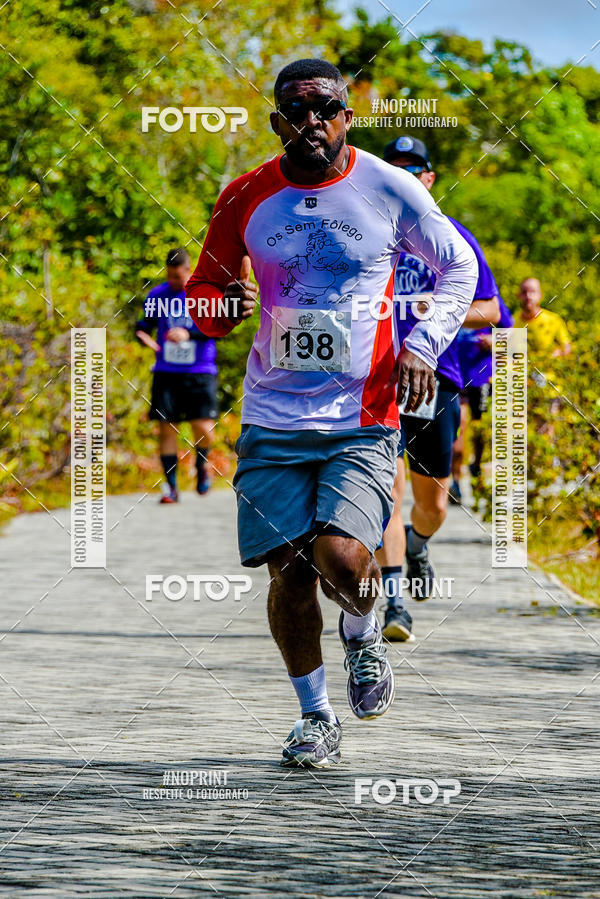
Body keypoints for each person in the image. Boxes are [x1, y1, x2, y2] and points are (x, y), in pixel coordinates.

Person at [186, 60, 478, 767]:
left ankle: (364, 629)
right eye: (296, 110)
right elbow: (204, 294)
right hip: (273, 415)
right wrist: (224, 306)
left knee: (344, 561)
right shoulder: (245, 195)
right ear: (277, 122)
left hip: (363, 412)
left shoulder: (389, 186)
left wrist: (422, 346)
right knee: (288, 570)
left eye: (325, 107)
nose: (311, 121)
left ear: (347, 116)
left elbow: (459, 267)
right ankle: (314, 716)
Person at [376, 136, 501, 642]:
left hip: (435, 378)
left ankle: (417, 543)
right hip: (374, 378)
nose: (404, 177)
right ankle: (394, 602)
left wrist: (435, 309)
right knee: (386, 491)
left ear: (430, 178)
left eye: (414, 170)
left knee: (433, 505)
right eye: (395, 168)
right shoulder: (364, 230)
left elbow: (491, 310)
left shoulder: (452, 237)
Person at [136, 247, 218, 503]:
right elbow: (145, 324)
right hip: (167, 372)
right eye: (169, 276)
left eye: (178, 276)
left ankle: (201, 466)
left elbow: (217, 328)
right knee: (166, 428)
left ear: (188, 270)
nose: (173, 281)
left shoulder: (204, 294)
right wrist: (142, 335)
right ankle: (171, 487)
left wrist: (188, 333)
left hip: (199, 371)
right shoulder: (157, 295)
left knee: (204, 427)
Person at [449, 297, 514, 504]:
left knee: (479, 430)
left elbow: (510, 329)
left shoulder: (488, 297)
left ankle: (476, 469)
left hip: (481, 376)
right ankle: (455, 482)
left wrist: (495, 340)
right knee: (458, 426)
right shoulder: (449, 291)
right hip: (454, 375)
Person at [515, 278, 571, 357]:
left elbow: (566, 347)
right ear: (519, 295)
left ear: (540, 295)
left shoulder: (554, 320)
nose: (528, 296)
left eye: (532, 291)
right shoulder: (511, 323)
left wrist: (557, 354)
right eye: (524, 292)